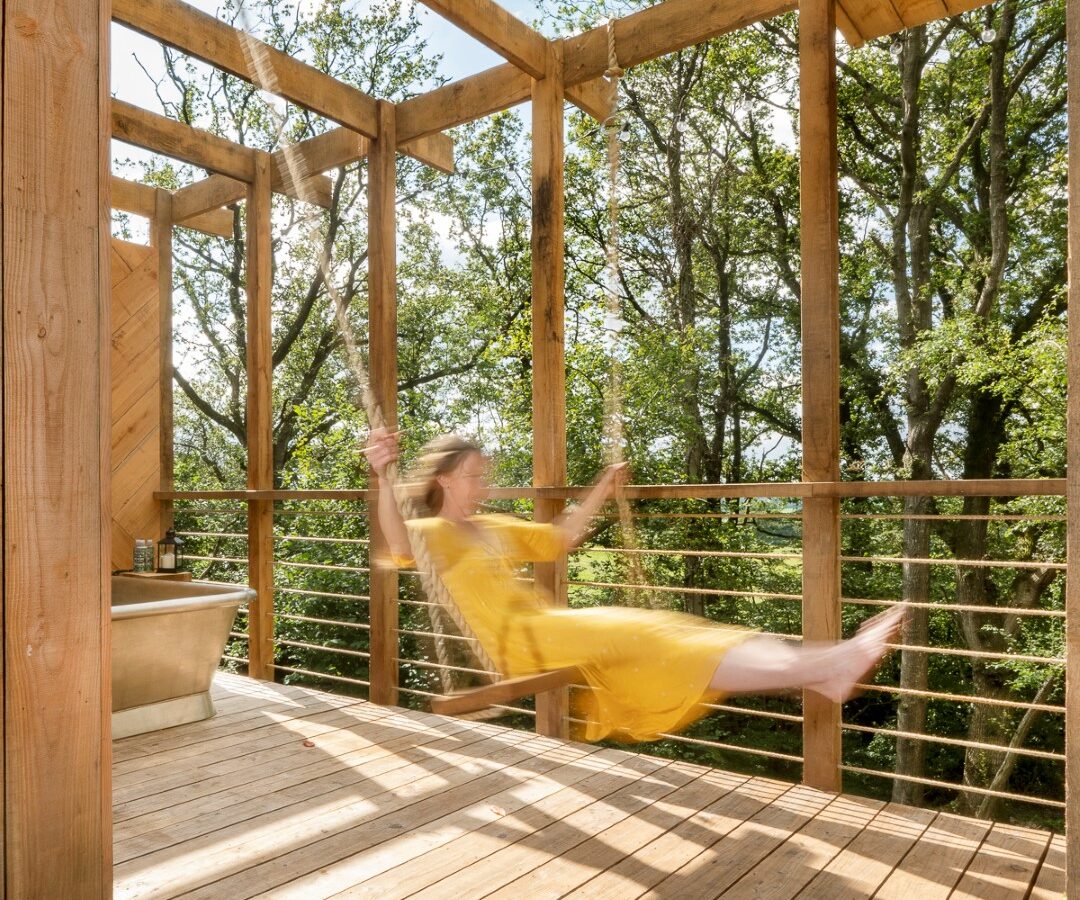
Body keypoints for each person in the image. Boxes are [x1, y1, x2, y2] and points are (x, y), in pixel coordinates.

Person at [365, 429, 905, 743]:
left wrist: (604, 483)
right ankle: (827, 665)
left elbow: (563, 537)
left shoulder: (493, 527)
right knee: (644, 633)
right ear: (445, 480)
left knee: (662, 629)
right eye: (474, 475)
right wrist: (382, 476)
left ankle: (825, 665)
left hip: (546, 629)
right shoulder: (433, 533)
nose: (484, 483)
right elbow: (399, 547)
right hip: (516, 645)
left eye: (485, 473)